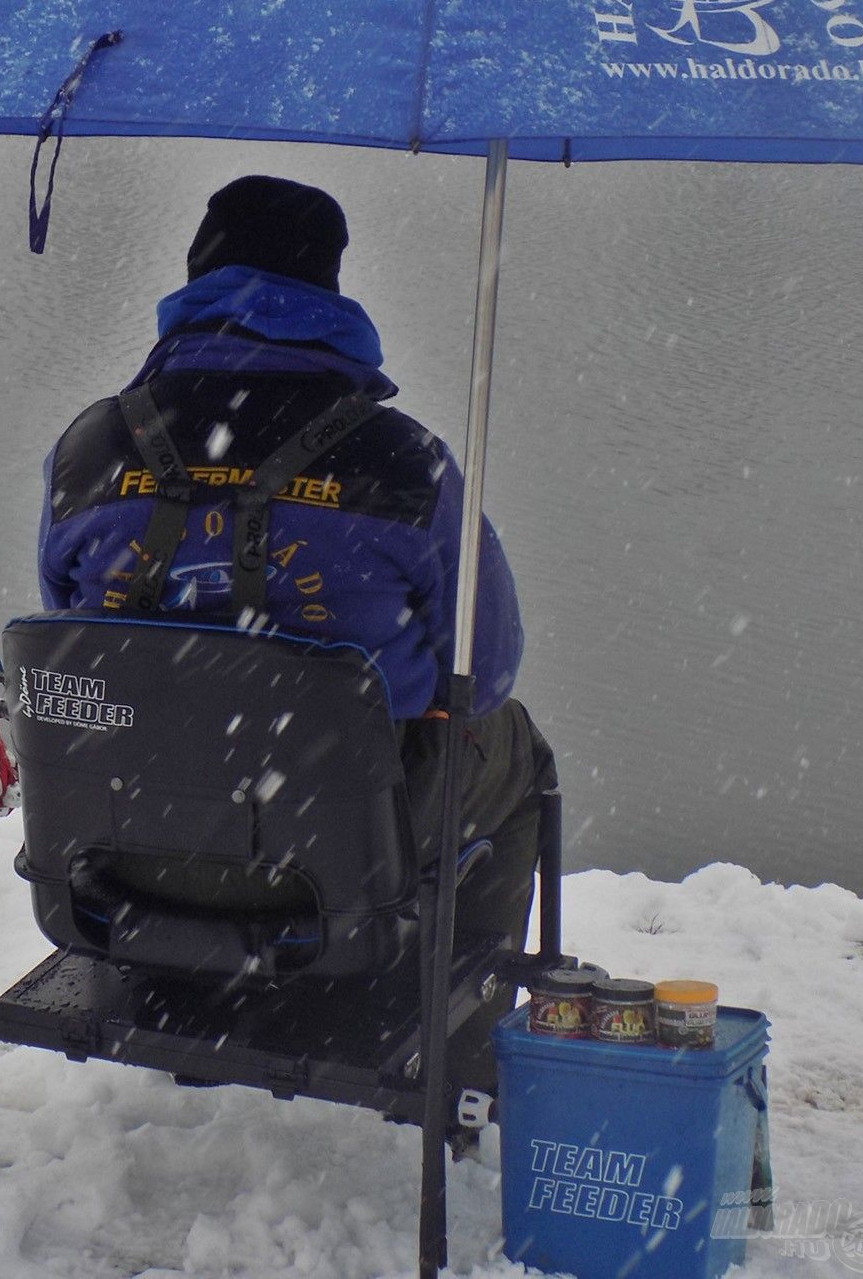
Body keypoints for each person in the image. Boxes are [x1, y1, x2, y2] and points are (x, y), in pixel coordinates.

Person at [36, 174, 559, 1091]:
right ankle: (455, 1038)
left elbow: (67, 626)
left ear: (198, 270)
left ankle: (183, 974)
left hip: (125, 848)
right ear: (330, 288)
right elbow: (488, 667)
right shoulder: (406, 462)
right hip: (338, 852)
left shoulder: (90, 447)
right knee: (519, 755)